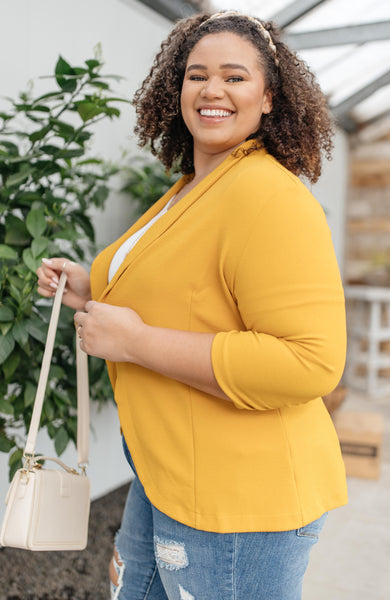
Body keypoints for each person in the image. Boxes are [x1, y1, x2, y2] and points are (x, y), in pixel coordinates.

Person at [37, 11, 347, 600]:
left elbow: (309, 363)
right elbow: (192, 298)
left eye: (235, 77)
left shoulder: (268, 196)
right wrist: (92, 293)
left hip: (238, 505)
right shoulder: (195, 185)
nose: (211, 90)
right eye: (196, 75)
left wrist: (132, 342)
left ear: (270, 99)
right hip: (170, 478)